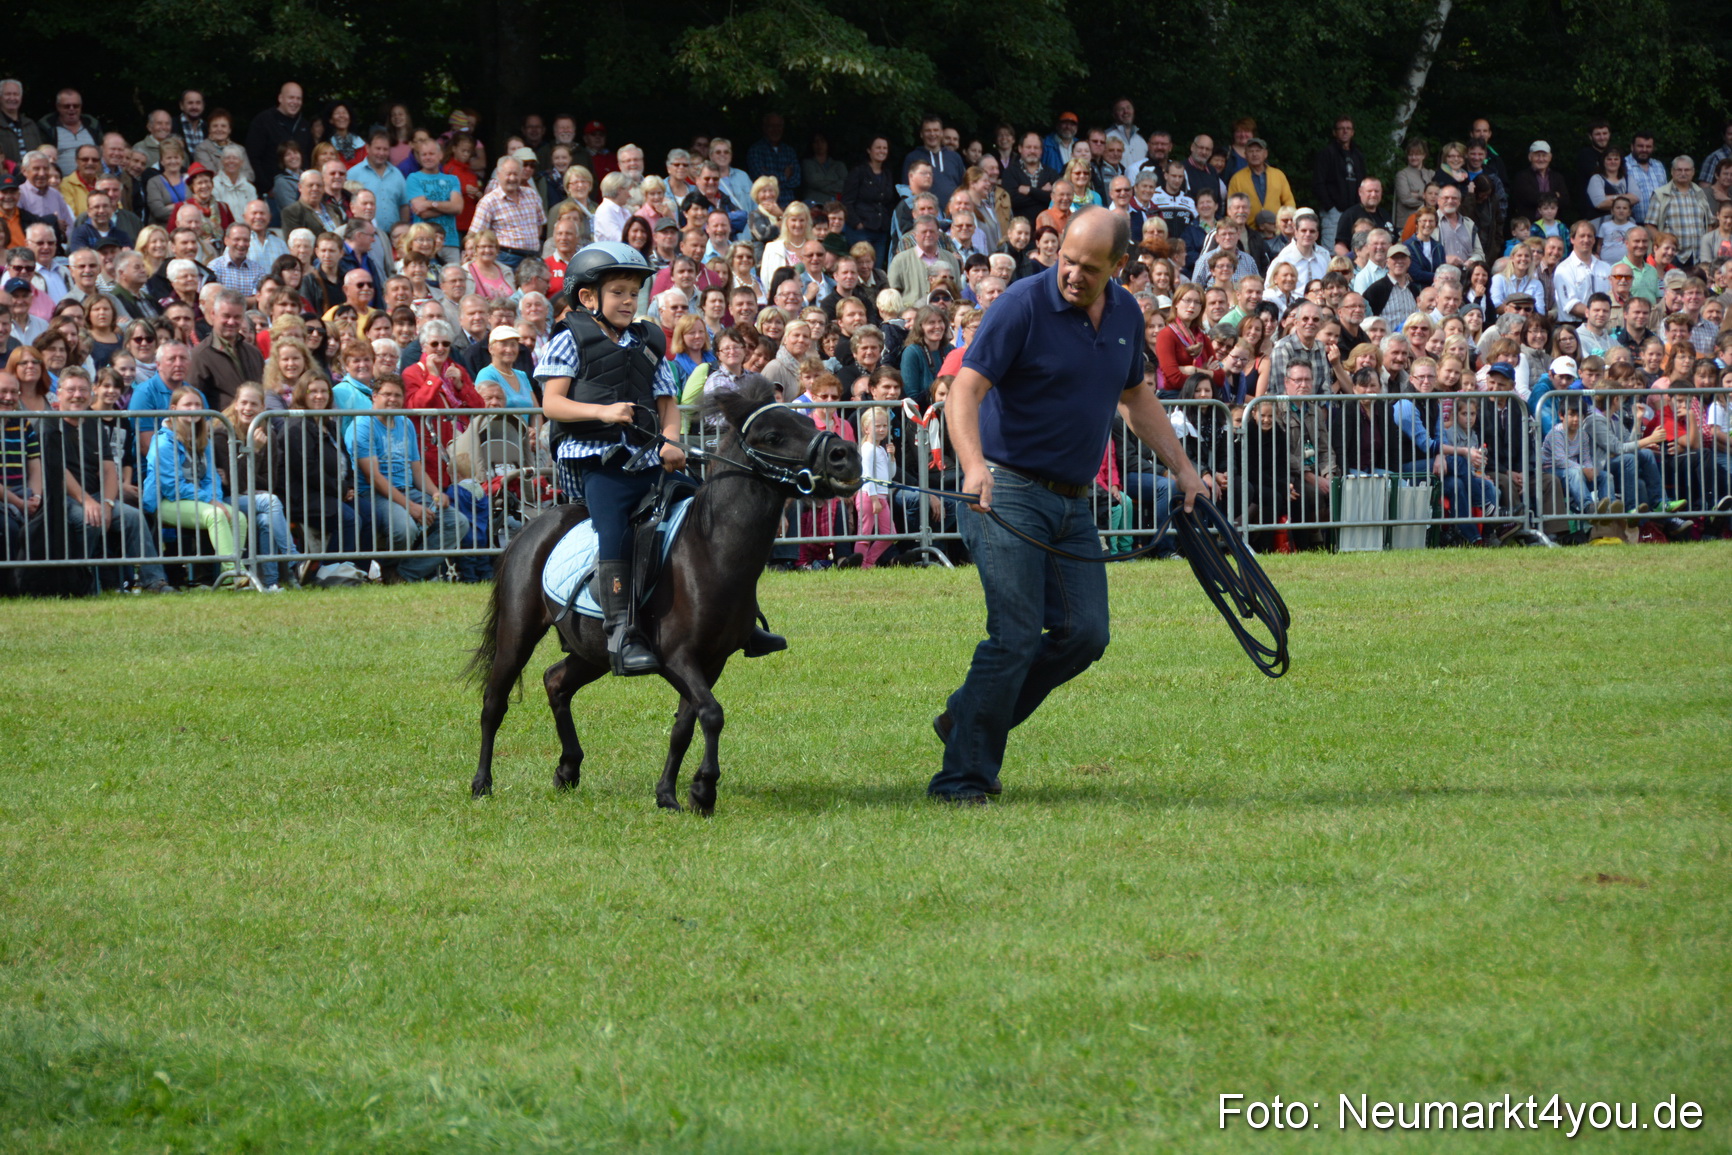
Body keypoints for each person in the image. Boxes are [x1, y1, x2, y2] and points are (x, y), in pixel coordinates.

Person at [930, 207, 1208, 803]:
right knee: (1016, 634)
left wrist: (1184, 469)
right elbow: (965, 390)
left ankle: (968, 715)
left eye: (1088, 267)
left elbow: (1135, 396)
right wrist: (974, 465)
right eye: (1066, 261)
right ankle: (962, 779)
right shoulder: (1023, 305)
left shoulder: (1128, 313)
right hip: (1004, 491)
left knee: (1085, 634)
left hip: (1073, 502)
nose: (1072, 275)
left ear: (1120, 266)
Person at [533, 241, 688, 673]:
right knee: (615, 526)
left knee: (704, 506)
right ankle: (621, 632)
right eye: (618, 291)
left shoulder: (648, 340)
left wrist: (671, 440)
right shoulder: (568, 341)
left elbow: (667, 404)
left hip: (648, 456)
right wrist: (603, 411)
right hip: (595, 460)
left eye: (633, 292)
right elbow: (552, 404)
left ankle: (735, 614)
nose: (628, 300)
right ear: (588, 298)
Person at [142, 384, 250, 585]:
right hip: (166, 501)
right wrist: (209, 500)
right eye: (188, 405)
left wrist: (214, 497)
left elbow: (211, 477)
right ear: (173, 409)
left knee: (239, 517)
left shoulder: (203, 441)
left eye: (197, 405)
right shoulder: (163, 442)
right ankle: (235, 571)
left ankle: (228, 581)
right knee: (215, 515)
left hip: (198, 499)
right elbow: (171, 487)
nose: (194, 409)